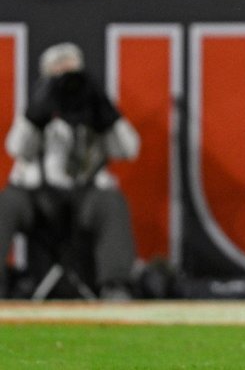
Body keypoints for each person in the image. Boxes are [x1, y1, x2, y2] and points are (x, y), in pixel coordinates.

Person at [0, 42, 140, 300]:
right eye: (59, 76)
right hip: (37, 200)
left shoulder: (94, 109)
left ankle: (116, 287)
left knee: (112, 202)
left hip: (83, 200)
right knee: (6, 203)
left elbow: (129, 150)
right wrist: (36, 115)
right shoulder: (38, 109)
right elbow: (17, 148)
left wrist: (107, 113)